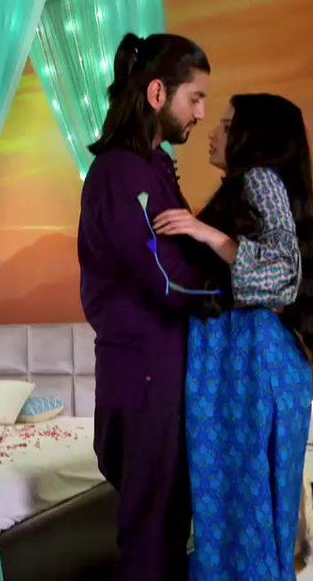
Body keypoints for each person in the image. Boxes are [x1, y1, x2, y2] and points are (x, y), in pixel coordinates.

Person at [152, 93, 313, 580]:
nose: (213, 132)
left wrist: (207, 234)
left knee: (242, 506)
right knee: (246, 508)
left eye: (226, 123)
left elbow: (282, 272)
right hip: (248, 363)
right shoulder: (255, 186)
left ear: (252, 136)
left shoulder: (258, 178)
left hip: (249, 366)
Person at [77, 32, 213, 580]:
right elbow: (167, 279)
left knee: (167, 526)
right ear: (158, 94)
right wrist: (242, 286)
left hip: (160, 372)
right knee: (150, 538)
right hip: (143, 377)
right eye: (195, 98)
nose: (201, 113)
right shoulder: (122, 173)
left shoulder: (151, 166)